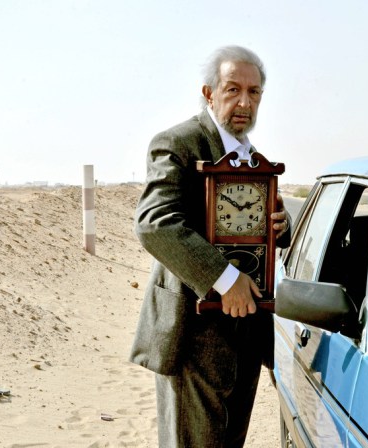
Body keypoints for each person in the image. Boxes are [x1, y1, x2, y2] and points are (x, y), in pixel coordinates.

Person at [130, 45, 291, 447]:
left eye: (254, 92)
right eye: (233, 89)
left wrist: (281, 226)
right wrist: (224, 278)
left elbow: (260, 234)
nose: (244, 102)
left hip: (247, 335)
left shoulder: (255, 161)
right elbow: (155, 223)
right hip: (194, 335)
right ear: (209, 93)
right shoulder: (178, 143)